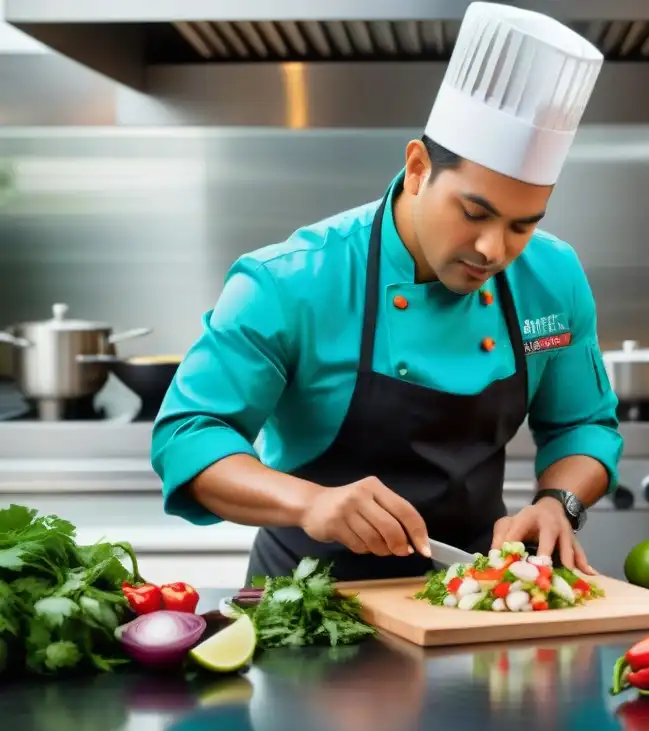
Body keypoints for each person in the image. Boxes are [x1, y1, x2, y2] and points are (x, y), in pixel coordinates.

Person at [150, 1, 623, 584]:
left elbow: (583, 425)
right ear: (419, 167)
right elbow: (188, 435)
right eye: (474, 213)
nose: (493, 250)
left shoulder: (552, 276)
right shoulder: (288, 282)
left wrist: (559, 503)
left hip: (474, 597)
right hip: (307, 604)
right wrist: (310, 503)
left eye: (522, 225)